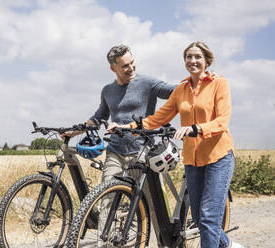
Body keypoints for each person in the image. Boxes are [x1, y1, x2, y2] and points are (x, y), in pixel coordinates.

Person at [108, 41, 243, 248]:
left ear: (207, 61)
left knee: (208, 218)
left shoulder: (219, 83)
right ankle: (230, 246)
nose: (193, 61)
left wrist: (195, 128)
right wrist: (127, 127)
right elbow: (157, 118)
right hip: (193, 159)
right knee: (199, 220)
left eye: (198, 57)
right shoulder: (181, 89)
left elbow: (222, 121)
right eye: (189, 57)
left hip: (219, 157)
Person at [62, 44, 175, 245]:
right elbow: (99, 117)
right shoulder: (108, 90)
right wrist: (75, 130)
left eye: (132, 63)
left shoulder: (147, 82)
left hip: (142, 152)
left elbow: (172, 91)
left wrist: (197, 81)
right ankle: (105, 243)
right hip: (115, 151)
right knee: (107, 196)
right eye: (125, 66)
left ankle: (164, 243)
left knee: (153, 203)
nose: (131, 68)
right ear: (113, 68)